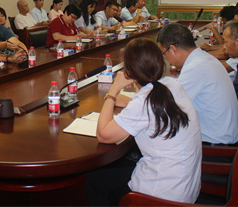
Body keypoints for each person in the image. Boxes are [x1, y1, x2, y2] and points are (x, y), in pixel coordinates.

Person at [87, 38, 202, 205]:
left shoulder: (143, 103)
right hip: (186, 186)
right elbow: (154, 110)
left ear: (128, 72)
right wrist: (129, 102)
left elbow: (103, 135)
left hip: (162, 194)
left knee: (94, 181)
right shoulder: (172, 84)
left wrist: (113, 91)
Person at [157, 23, 238, 144]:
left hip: (215, 144)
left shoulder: (195, 68)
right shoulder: (204, 58)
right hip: (226, 135)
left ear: (173, 49)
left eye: (164, 53)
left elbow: (166, 106)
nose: (166, 58)